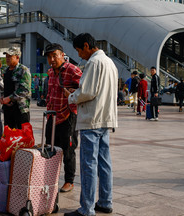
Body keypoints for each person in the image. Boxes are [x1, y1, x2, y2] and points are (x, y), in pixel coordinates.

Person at [64, 33, 118, 216]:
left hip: (91, 120)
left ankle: (86, 209)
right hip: (105, 118)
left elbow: (87, 92)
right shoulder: (110, 62)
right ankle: (105, 201)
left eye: (79, 50)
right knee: (104, 163)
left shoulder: (94, 63)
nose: (79, 55)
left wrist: (71, 96)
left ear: (87, 46)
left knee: (89, 165)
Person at [44, 43, 82, 192]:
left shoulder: (72, 70)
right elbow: (50, 92)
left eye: (55, 55)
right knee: (49, 148)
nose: (52, 59)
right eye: (49, 56)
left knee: (68, 150)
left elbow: (85, 88)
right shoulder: (51, 72)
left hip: (68, 116)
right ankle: (50, 178)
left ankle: (69, 181)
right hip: (52, 117)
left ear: (62, 55)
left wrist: (73, 92)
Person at [0, 46, 31, 129]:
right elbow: (5, 87)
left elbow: (25, 90)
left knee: (21, 138)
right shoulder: (6, 70)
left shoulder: (23, 70)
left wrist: (9, 98)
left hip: (20, 110)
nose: (7, 59)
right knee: (9, 136)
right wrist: (3, 96)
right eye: (6, 56)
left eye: (10, 57)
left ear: (17, 57)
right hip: (8, 110)